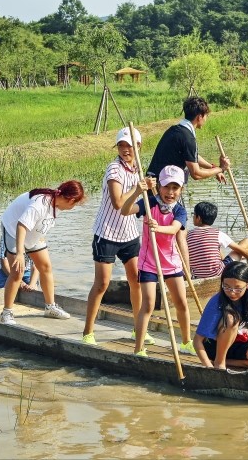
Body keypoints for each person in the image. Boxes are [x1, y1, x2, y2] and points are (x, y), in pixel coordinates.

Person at [82, 127, 151, 346]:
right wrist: (139, 190)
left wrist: (150, 188)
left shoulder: (139, 169)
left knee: (137, 281)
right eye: (121, 146)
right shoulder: (114, 169)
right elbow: (118, 202)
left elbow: (147, 200)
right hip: (107, 233)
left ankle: (137, 329)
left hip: (130, 234)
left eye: (129, 146)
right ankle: (88, 332)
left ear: (138, 147)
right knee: (102, 284)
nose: (125, 150)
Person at [120, 165, 194, 357]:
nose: (170, 192)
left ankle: (186, 342)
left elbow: (174, 229)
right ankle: (139, 348)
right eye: (167, 187)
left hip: (171, 263)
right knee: (149, 304)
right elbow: (125, 210)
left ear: (181, 190)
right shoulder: (148, 202)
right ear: (159, 186)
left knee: (181, 303)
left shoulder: (180, 211)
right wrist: (138, 190)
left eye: (175, 188)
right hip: (149, 263)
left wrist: (157, 227)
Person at [0, 180, 86, 325]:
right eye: (75, 204)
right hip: (14, 229)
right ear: (70, 200)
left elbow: (42, 223)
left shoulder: (57, 204)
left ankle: (50, 307)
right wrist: (20, 253)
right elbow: (21, 226)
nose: (74, 207)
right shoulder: (40, 204)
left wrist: (38, 241)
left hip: (32, 233)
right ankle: (6, 313)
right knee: (17, 271)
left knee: (45, 267)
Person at [146, 96, 230, 186]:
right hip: (161, 187)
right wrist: (221, 168)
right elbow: (196, 174)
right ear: (199, 117)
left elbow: (192, 156)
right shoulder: (188, 138)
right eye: (206, 116)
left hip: (154, 182)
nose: (206, 119)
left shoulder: (174, 129)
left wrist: (213, 168)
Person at [186, 201, 248, 279]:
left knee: (217, 248)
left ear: (199, 218)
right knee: (246, 242)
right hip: (219, 273)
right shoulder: (218, 234)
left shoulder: (187, 235)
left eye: (194, 214)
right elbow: (243, 251)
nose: (193, 217)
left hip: (197, 275)